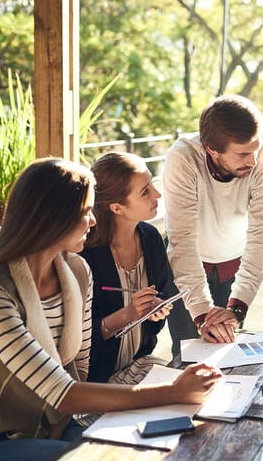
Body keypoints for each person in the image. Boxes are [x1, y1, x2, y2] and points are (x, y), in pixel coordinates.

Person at [0, 158, 221, 461]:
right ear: (52, 217)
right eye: (86, 212)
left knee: (153, 445)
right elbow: (61, 391)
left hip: (60, 421)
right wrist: (172, 390)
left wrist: (60, 428)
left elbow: (79, 370)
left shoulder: (77, 272)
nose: (93, 221)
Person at [164, 94, 263, 356]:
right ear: (211, 150)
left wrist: (237, 308)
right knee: (187, 354)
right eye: (241, 155)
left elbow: (262, 236)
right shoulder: (183, 158)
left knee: (227, 351)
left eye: (255, 149)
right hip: (187, 265)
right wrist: (202, 314)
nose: (251, 161)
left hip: (234, 262)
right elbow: (182, 241)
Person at [80, 152, 175, 384]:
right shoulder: (85, 253)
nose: (157, 194)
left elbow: (154, 324)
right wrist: (128, 314)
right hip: (95, 380)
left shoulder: (151, 238)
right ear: (117, 207)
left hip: (139, 366)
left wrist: (155, 310)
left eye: (151, 183)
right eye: (145, 191)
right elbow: (77, 341)